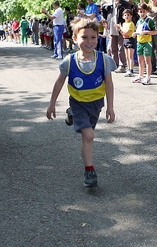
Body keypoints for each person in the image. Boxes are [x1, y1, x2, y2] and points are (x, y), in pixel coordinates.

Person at [46, 18, 115, 187]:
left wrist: (110, 107)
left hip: (96, 104)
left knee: (87, 136)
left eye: (93, 37)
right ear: (75, 38)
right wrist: (52, 103)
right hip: (78, 103)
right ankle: (89, 170)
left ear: (98, 38)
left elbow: (109, 84)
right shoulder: (69, 61)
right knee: (89, 136)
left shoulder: (104, 60)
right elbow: (59, 82)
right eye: (84, 37)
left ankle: (72, 116)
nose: (89, 41)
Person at [102, 0, 131, 73]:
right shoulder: (109, 3)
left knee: (121, 47)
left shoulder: (125, 3)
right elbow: (104, 15)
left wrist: (119, 6)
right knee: (113, 47)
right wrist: (102, 7)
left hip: (121, 27)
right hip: (111, 27)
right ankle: (115, 64)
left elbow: (128, 13)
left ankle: (122, 65)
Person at [132, 3, 157, 85]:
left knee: (147, 60)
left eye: (143, 11)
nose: (142, 13)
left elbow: (155, 32)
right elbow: (138, 31)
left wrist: (146, 32)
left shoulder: (149, 20)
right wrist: (135, 33)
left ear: (146, 11)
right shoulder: (139, 21)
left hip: (147, 43)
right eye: (140, 12)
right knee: (140, 60)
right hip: (139, 42)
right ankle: (141, 76)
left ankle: (148, 77)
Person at [117, 9, 135, 77]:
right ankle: (128, 69)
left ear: (131, 16)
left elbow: (127, 32)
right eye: (125, 15)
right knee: (127, 56)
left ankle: (131, 70)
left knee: (130, 56)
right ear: (123, 16)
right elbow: (123, 34)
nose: (126, 16)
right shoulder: (124, 24)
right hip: (125, 40)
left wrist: (120, 27)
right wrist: (121, 29)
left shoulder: (131, 24)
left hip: (130, 40)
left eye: (128, 15)